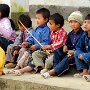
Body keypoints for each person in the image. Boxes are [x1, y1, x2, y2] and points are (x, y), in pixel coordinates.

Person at [7, 8, 51, 75]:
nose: (37, 20)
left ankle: (22, 69)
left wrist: (36, 46)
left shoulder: (46, 30)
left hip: (41, 50)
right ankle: (17, 67)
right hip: (33, 49)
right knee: (25, 52)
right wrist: (27, 42)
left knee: (31, 56)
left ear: (46, 20)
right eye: (36, 18)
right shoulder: (37, 29)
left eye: (39, 18)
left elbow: (46, 43)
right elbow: (31, 37)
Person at [41, 11, 84, 78]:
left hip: (76, 55)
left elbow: (82, 48)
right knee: (58, 50)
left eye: (75, 22)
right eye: (71, 22)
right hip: (68, 52)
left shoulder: (83, 34)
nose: (72, 24)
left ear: (80, 23)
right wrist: (65, 46)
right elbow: (67, 43)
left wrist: (74, 51)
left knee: (68, 57)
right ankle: (55, 68)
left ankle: (52, 72)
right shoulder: (70, 34)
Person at [74, 14, 90, 82]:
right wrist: (80, 54)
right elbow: (78, 46)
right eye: (85, 22)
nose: (86, 24)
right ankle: (84, 71)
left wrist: (84, 55)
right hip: (86, 58)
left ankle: (89, 73)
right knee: (76, 52)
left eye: (89, 23)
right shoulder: (85, 34)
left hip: (88, 56)